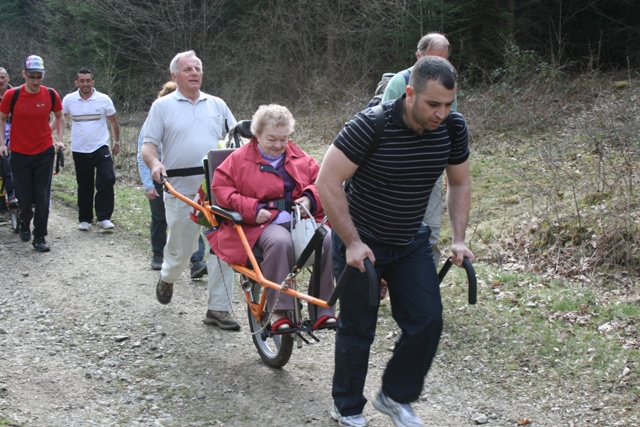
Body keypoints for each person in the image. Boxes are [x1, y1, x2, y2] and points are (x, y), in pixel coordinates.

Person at [316, 56, 475, 427]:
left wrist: (459, 238)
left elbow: (461, 182)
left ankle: (395, 395)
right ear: (409, 94)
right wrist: (352, 242)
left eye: (448, 104)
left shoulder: (452, 128)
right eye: (433, 104)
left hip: (409, 241)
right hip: (361, 242)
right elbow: (328, 181)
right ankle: (347, 406)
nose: (441, 113)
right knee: (358, 328)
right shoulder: (371, 124)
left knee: (428, 320)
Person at [209, 104, 336, 331]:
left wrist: (309, 198)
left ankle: (323, 310)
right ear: (257, 135)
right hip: (260, 224)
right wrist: (252, 209)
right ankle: (278, 309)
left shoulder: (300, 156)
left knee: (327, 240)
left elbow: (319, 182)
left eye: (284, 139)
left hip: (300, 220)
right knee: (280, 242)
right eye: (271, 139)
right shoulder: (238, 159)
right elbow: (221, 190)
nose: (279, 145)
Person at [141, 50, 239, 330]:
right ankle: (168, 277)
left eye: (198, 69)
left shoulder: (217, 104)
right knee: (182, 250)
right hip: (180, 190)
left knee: (223, 249)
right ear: (174, 76)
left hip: (217, 190)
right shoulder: (162, 107)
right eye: (188, 69)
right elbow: (149, 146)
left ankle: (218, 309)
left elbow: (236, 139)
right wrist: (155, 164)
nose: (195, 73)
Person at [381, 32, 456, 268]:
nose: (438, 67)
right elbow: (380, 126)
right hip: (393, 171)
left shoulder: (449, 83)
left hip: (429, 170)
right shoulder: (398, 83)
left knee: (430, 228)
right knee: (388, 228)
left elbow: (449, 127)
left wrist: (447, 169)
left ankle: (425, 282)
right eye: (433, 60)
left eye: (444, 61)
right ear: (418, 56)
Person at [137, 80, 208, 276]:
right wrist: (148, 184)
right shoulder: (154, 120)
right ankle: (158, 255)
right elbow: (142, 154)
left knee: (195, 218)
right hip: (159, 178)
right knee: (159, 217)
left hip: (186, 178)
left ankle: (196, 261)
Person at [0, 55, 65, 252]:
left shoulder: (51, 94)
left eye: (40, 77)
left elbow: (60, 116)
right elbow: (2, 119)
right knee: (25, 198)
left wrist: (60, 139)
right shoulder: (13, 95)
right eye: (32, 77)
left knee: (42, 196)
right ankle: (23, 221)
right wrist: (2, 143)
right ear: (23, 75)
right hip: (19, 152)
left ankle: (39, 236)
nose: (36, 81)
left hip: (44, 151)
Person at [62, 67, 120, 231]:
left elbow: (114, 122)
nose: (85, 84)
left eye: (88, 81)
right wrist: (50, 135)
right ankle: (85, 218)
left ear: (93, 82)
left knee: (107, 179)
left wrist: (117, 142)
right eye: (82, 81)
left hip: (101, 146)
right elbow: (60, 118)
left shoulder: (104, 99)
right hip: (80, 149)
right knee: (84, 184)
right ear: (76, 82)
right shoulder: (69, 100)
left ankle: (104, 217)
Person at [0, 67, 16, 222]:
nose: (0, 80)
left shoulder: (15, 95)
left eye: (2, 77)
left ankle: (13, 197)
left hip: (14, 138)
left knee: (12, 168)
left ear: (8, 78)